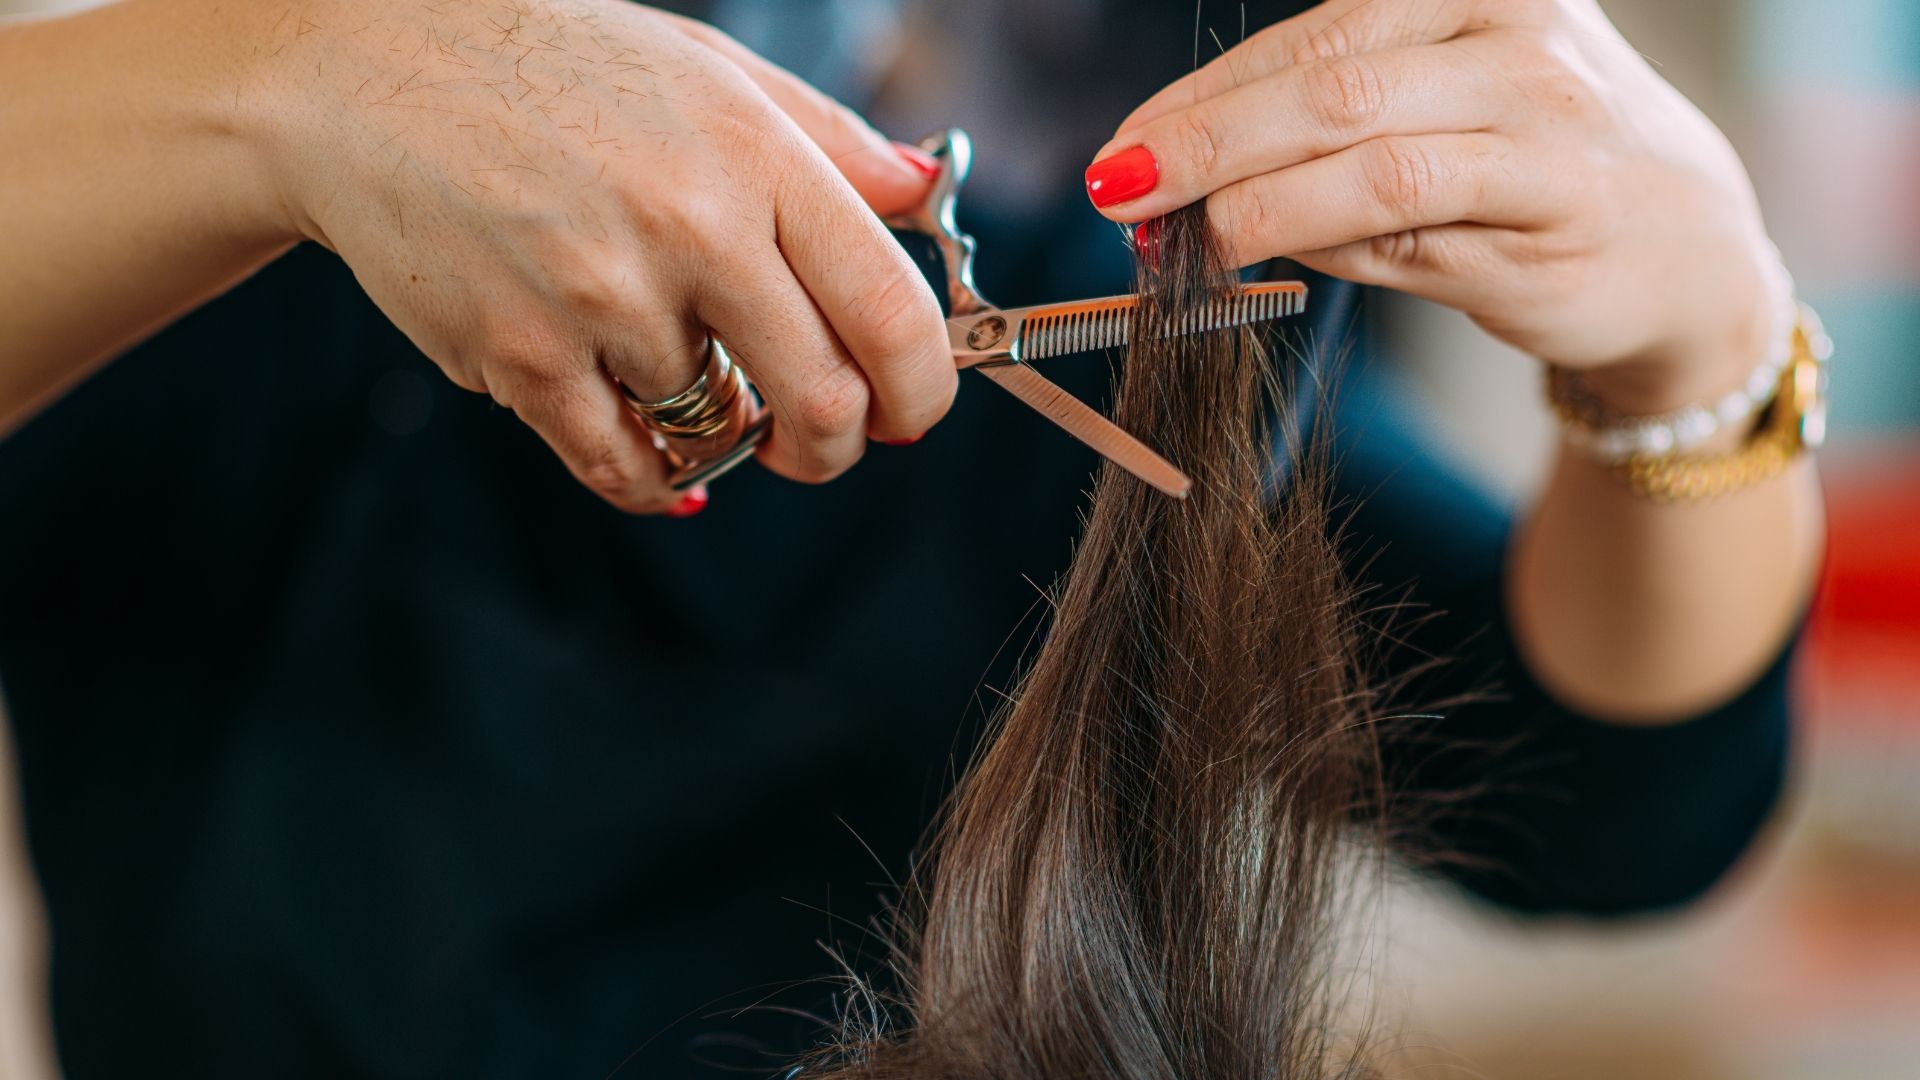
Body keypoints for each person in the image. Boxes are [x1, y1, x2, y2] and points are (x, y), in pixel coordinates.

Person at [0, 0, 1822, 1077]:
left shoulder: (1039, 318)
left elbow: (1619, 787)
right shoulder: (206, 240)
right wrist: (297, 91)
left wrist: (1709, 348)